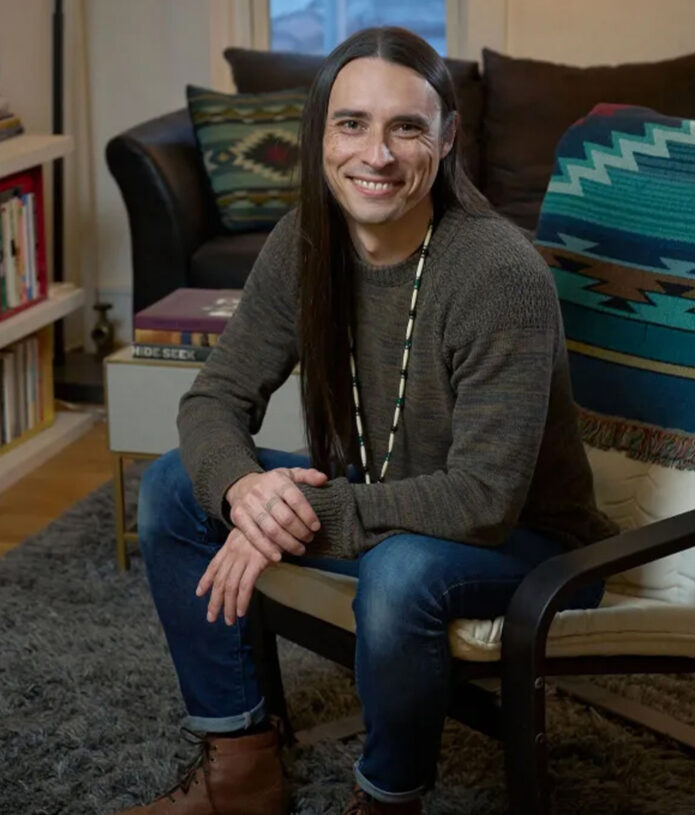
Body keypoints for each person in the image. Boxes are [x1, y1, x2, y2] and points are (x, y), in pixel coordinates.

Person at [118, 26, 618, 815]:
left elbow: (484, 497)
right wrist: (248, 493)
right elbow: (214, 398)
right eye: (352, 123)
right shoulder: (306, 242)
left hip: (531, 545)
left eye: (406, 127)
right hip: (394, 509)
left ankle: (388, 799)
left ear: (447, 139)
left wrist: (297, 515)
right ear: (319, 135)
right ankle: (241, 767)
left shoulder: (499, 274)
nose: (375, 155)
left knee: (399, 574)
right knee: (177, 488)